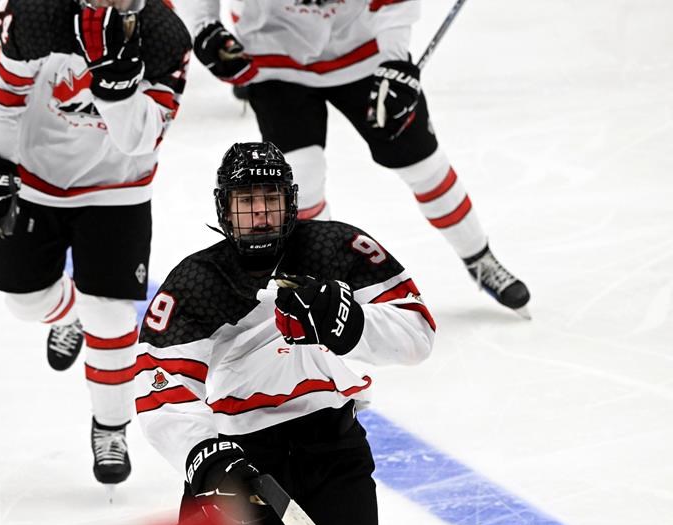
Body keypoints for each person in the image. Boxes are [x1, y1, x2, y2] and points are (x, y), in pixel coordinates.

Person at [134, 142, 435, 525]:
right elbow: (160, 390)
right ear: (224, 208)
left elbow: (417, 332)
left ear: (291, 202)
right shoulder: (199, 281)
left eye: (269, 199)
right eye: (246, 201)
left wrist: (354, 325)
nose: (259, 214)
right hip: (238, 458)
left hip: (332, 451)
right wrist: (206, 454)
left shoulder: (334, 249)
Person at [180, 0, 532, 316]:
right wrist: (204, 25)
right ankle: (321, 288)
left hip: (363, 52)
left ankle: (479, 257)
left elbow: (394, 4)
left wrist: (395, 61)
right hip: (274, 56)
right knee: (302, 180)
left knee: (423, 164)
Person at [0, 0, 191, 484]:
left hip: (118, 189)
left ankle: (111, 426)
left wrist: (118, 92)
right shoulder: (35, 13)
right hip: (36, 178)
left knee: (110, 315)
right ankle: (69, 314)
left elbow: (140, 139)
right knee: (24, 302)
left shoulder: (163, 34)